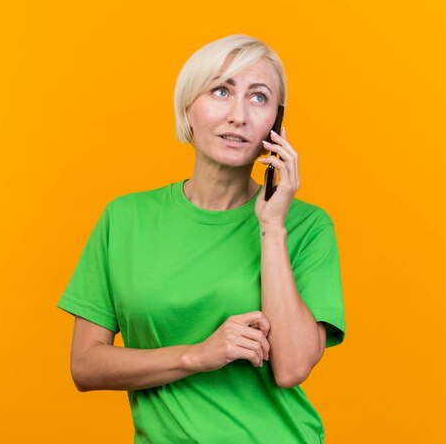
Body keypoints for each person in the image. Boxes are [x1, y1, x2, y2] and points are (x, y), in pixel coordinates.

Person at [56, 34, 346, 444]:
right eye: (221, 90)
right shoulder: (125, 219)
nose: (239, 115)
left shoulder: (307, 226)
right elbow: (85, 366)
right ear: (188, 107)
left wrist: (271, 227)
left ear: (276, 125)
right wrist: (199, 355)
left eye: (259, 98)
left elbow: (292, 367)